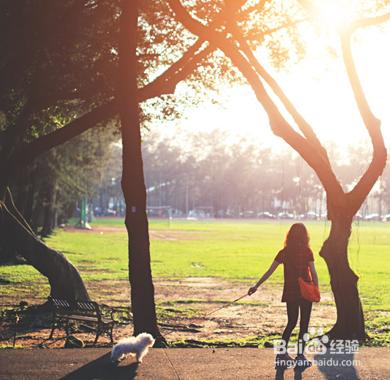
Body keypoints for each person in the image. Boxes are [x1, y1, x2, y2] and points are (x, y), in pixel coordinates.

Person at [248, 223, 319, 368]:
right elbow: (313, 271)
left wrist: (256, 286)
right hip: (305, 291)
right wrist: (316, 289)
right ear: (305, 236)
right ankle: (300, 356)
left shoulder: (284, 252)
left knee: (291, 323)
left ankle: (282, 354)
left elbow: (270, 271)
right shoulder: (307, 251)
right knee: (304, 325)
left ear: (290, 235)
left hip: (291, 291)